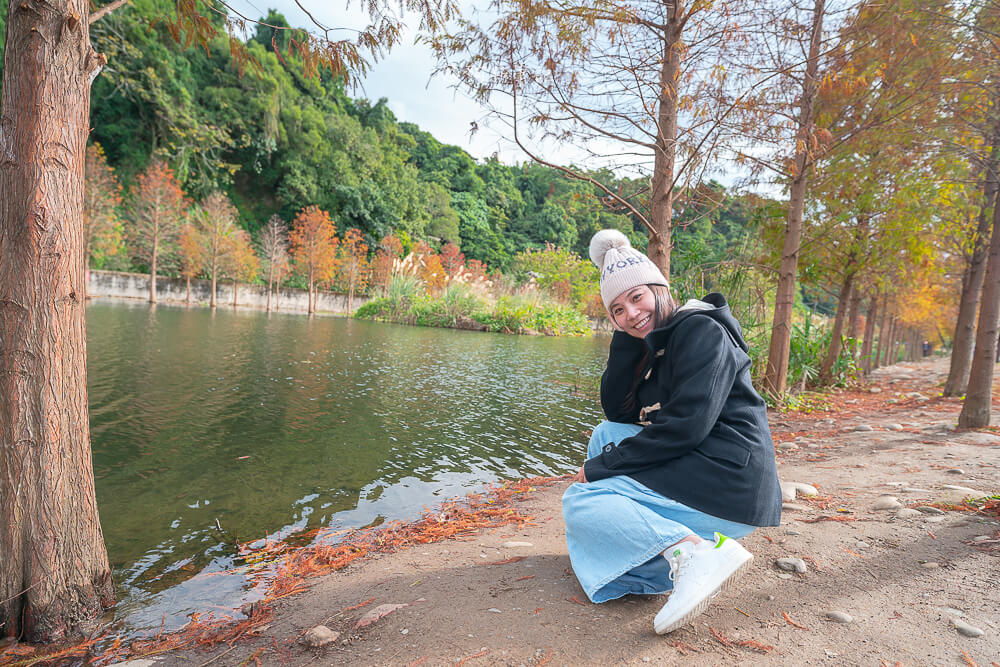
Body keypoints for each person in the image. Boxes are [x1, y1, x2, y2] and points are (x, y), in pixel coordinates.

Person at [562, 229, 782, 635]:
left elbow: (686, 426)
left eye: (637, 297)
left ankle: (693, 553)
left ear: (661, 289)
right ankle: (660, 564)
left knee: (581, 498)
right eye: (617, 310)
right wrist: (631, 337)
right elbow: (620, 411)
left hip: (730, 482)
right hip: (708, 468)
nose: (630, 312)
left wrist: (600, 470)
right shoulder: (659, 344)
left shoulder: (702, 331)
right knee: (605, 433)